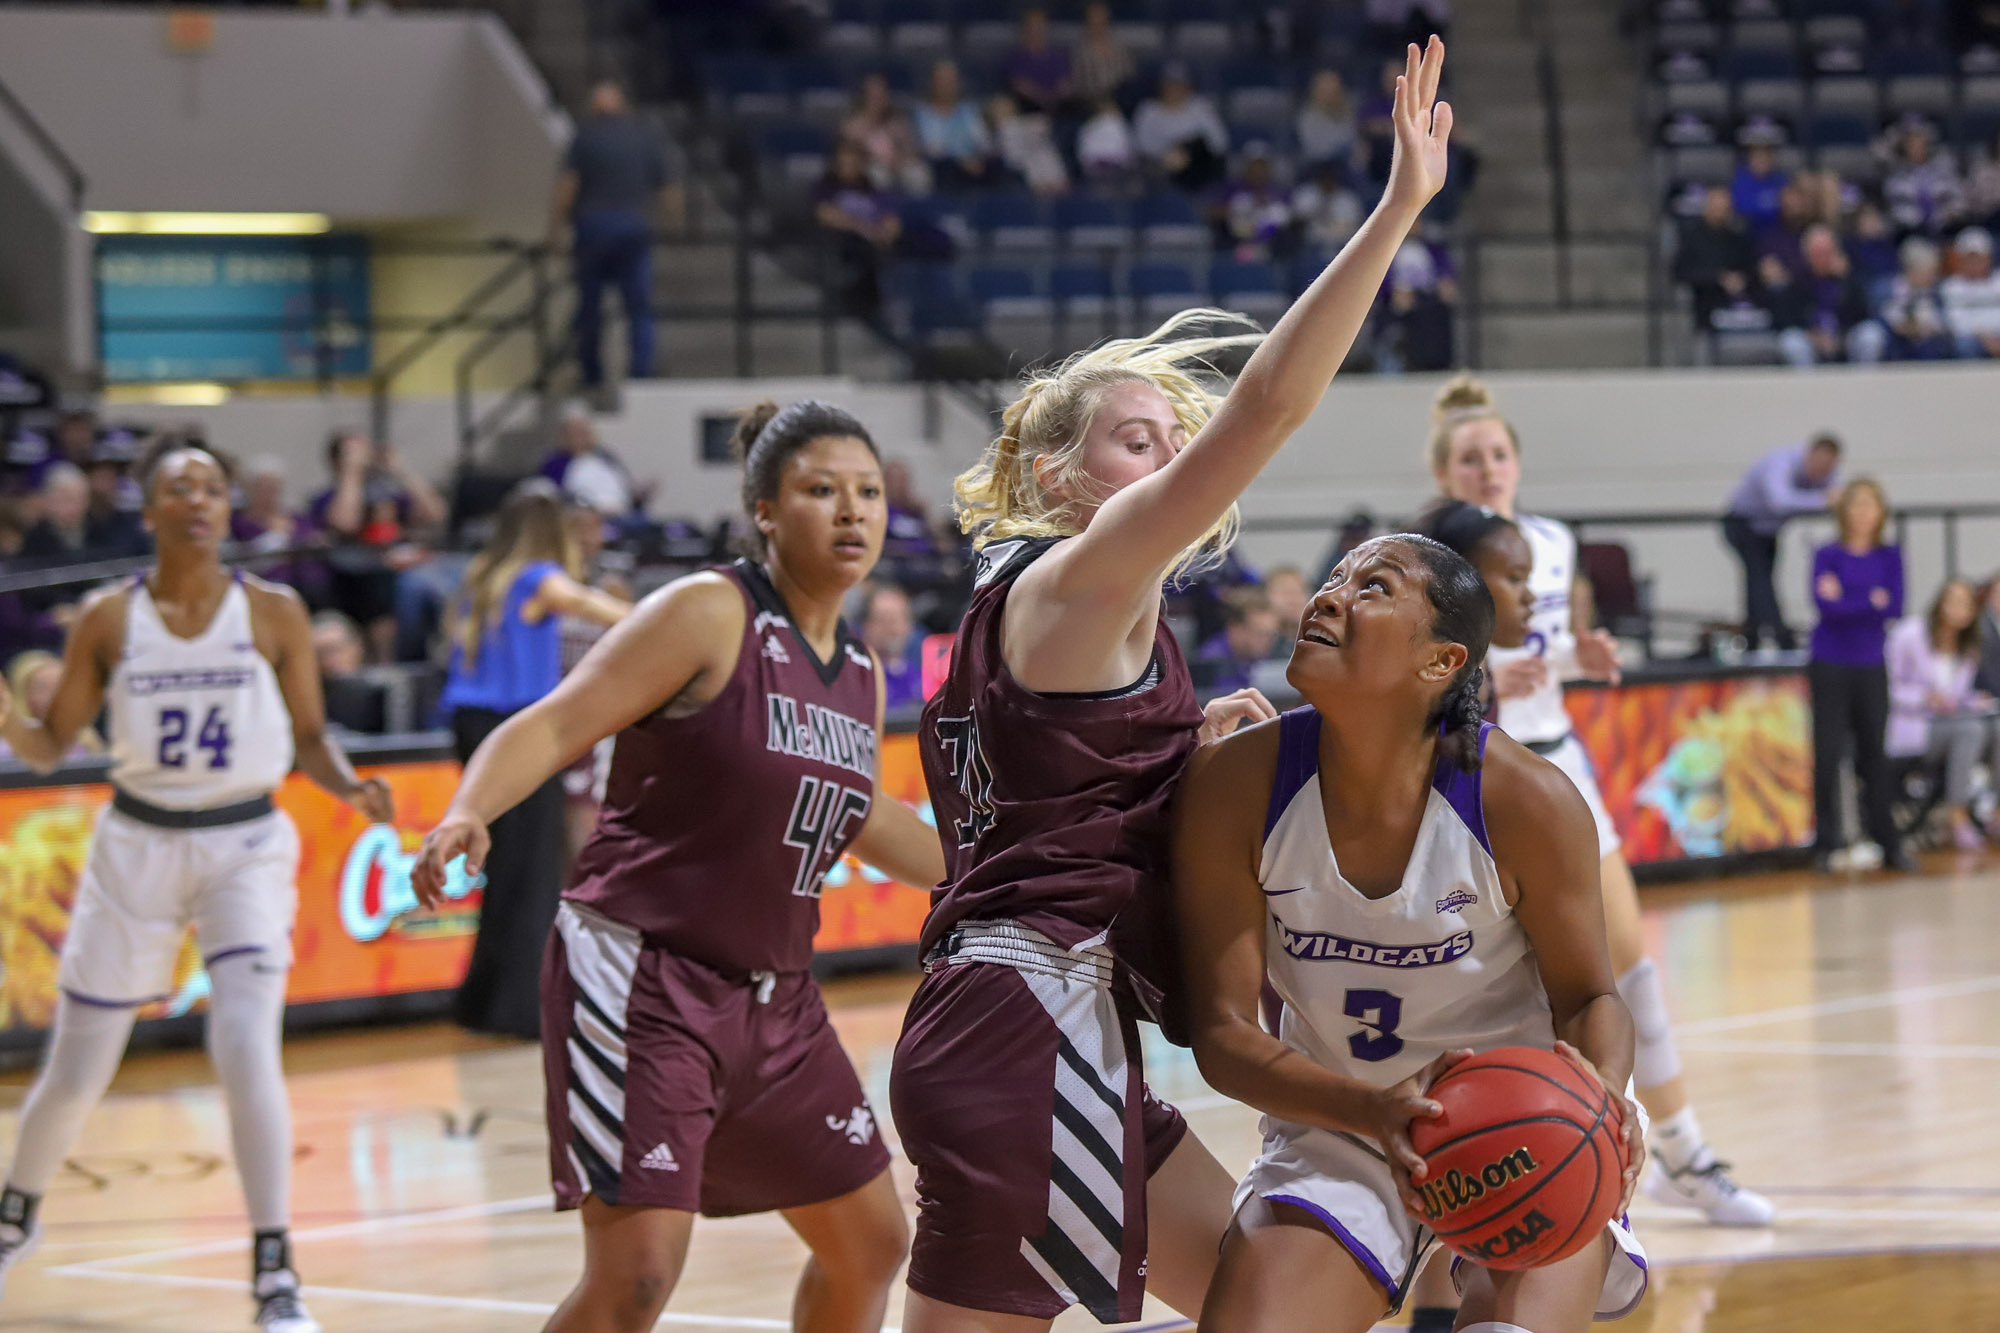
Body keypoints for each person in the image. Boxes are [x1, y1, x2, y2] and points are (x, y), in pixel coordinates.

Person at [890, 38, 1454, 1333]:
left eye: (1170, 444)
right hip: (1028, 1022)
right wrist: (1396, 210)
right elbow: (1265, 409)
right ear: (1053, 476)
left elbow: (1052, 802)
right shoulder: (1074, 586)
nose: (1168, 464)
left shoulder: (1042, 616)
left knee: (1264, 1308)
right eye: (1135, 442)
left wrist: (1187, 757)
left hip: (1042, 1026)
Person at [411, 399, 944, 1333]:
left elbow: (859, 812)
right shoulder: (708, 611)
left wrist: (999, 867)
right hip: (643, 975)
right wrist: (468, 808)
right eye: (822, 490)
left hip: (775, 995)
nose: (854, 512)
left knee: (870, 1243)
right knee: (637, 1279)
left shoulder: (857, 668)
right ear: (766, 510)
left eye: (867, 492)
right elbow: (557, 718)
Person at [1170, 533, 1647, 1333]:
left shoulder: (1528, 800)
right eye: (1331, 581)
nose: (1328, 598)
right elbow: (1221, 1033)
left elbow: (1591, 994)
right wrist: (1373, 1112)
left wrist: (1602, 1093)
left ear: (1440, 662)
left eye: (1374, 587)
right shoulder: (1232, 785)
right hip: (1339, 1123)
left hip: (1525, 1120)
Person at [0, 439, 394, 1333]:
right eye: (180, 488)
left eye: (212, 487)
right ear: (149, 512)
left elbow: (308, 737)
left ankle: (275, 1270)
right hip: (136, 840)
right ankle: (15, 1214)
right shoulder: (107, 618)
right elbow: (48, 745)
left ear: (226, 509)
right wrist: (6, 716)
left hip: (244, 843)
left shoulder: (275, 612)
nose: (200, 500)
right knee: (76, 1067)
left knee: (245, 1041)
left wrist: (351, 786)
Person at [1429, 375, 1776, 1231]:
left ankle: (1678, 1154)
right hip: (1463, 773)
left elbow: (1542, 658)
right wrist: (1480, 675)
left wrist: (1580, 656)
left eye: (1500, 453)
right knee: (1495, 991)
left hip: (1558, 766)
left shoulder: (1549, 539)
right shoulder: (1425, 552)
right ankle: (1502, 1164)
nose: (1488, 468)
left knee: (1629, 970)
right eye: (1470, 457)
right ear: (1443, 472)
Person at [437, 481, 631, 1036]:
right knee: (532, 874)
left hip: (471, 727)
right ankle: (521, 1011)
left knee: (503, 869)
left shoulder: (482, 577)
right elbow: (606, 613)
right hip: (516, 729)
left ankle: (481, 1001)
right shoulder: (539, 578)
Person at [1808, 478, 1910, 872]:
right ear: (1844, 511)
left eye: (1871, 505)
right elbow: (1824, 608)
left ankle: (1887, 839)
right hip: (1830, 661)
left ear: (1880, 512)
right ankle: (1826, 842)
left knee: (1874, 754)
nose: (1863, 513)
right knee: (1828, 752)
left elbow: (1894, 605)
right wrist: (1868, 600)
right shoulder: (1827, 554)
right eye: (1856, 504)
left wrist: (1849, 600)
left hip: (1870, 661)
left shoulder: (1890, 555)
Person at [552, 80, 680, 389]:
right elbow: (669, 189)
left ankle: (592, 373)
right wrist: (673, 227)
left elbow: (568, 187)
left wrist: (554, 231)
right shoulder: (644, 136)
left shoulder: (585, 136)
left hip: (593, 228)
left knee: (590, 306)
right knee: (639, 306)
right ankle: (641, 373)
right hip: (633, 228)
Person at [309, 431, 447, 663]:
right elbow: (344, 522)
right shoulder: (328, 497)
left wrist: (399, 470)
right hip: (350, 579)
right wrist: (350, 473)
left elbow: (435, 513)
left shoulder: (386, 492)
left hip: (393, 576)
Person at [1888, 579, 2000, 851]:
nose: (1961, 609)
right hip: (1911, 725)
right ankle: (1957, 816)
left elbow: (1956, 696)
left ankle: (1996, 811)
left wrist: (1974, 701)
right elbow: (1886, 687)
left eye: (1967, 604)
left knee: (1997, 725)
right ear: (1940, 602)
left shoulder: (1968, 646)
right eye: (1955, 601)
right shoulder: (1909, 634)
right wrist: (1923, 698)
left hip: (1949, 720)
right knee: (1970, 731)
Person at [1722, 432, 1843, 651]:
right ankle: (1781, 637)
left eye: (1827, 468)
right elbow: (1780, 501)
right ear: (1810, 454)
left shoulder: (1828, 473)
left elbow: (1839, 497)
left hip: (1768, 531)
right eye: (1819, 465)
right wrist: (1823, 500)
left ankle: (1754, 638)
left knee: (1758, 581)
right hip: (1742, 524)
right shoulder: (1781, 462)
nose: (1821, 473)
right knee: (1760, 581)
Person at [1133, 64, 1228, 192]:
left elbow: (1219, 142)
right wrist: (1168, 152)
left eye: (1179, 85)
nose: (1174, 90)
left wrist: (1187, 150)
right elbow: (1141, 143)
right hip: (1161, 163)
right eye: (1170, 85)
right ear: (1161, 87)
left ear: (1188, 88)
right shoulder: (1148, 110)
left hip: (1198, 162)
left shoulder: (1200, 107)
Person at [540, 404, 643, 520]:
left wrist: (638, 495)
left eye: (582, 432)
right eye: (573, 433)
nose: (578, 438)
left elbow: (627, 487)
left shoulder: (606, 457)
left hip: (622, 514)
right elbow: (555, 495)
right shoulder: (555, 463)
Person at [0, 650, 101, 763]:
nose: (54, 695)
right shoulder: (7, 740)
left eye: (60, 686)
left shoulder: (85, 736)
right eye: (42, 688)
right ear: (22, 692)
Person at [914, 60, 997, 191]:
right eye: (942, 81)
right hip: (942, 167)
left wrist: (978, 158)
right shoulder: (923, 114)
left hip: (974, 164)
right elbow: (931, 148)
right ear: (933, 83)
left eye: (951, 81)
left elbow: (983, 141)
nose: (947, 85)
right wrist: (960, 161)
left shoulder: (969, 112)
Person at [841, 73, 926, 196]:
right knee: (878, 174)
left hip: (899, 163)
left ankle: (917, 209)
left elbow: (911, 148)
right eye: (873, 96)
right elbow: (848, 153)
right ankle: (881, 210)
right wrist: (873, 158)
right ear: (864, 98)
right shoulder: (853, 126)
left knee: (917, 172)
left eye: (880, 96)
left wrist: (901, 158)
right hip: (870, 165)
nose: (877, 101)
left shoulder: (897, 123)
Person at [1194, 584, 1282, 691]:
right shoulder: (1210, 662)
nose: (1268, 641)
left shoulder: (1274, 655)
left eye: (1271, 634)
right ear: (1235, 629)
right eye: (1260, 633)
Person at [1881, 236, 1956, 360]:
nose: (1933, 277)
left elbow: (1944, 320)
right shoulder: (1891, 289)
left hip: (1928, 341)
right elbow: (1885, 317)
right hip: (1896, 338)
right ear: (1912, 270)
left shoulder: (1936, 291)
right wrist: (1904, 326)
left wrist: (1928, 327)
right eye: (1929, 272)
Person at [856, 580, 925, 711]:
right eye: (882, 620)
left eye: (896, 620)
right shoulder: (857, 677)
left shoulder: (921, 678)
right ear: (866, 626)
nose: (891, 629)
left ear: (909, 626)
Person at [1941, 226, 2000, 359]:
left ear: (1988, 258)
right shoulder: (1952, 286)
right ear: (1960, 260)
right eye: (1969, 258)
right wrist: (1985, 336)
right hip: (1973, 338)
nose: (1974, 263)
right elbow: (1956, 322)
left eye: (1978, 257)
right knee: (1965, 344)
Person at [1005, 7, 1073, 119]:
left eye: (1040, 26)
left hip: (1058, 107)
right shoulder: (1016, 58)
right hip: (1028, 107)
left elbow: (1065, 85)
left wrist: (1055, 100)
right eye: (1032, 26)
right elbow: (1019, 85)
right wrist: (1042, 99)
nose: (1036, 30)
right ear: (1025, 28)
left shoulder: (1058, 57)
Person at [1069, 2, 1133, 107]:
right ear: (1087, 21)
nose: (1097, 23)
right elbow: (1077, 85)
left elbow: (1128, 77)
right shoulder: (1079, 51)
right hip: (1091, 103)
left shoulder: (1120, 48)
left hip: (1120, 101)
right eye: (1093, 19)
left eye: (1101, 19)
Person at [1297, 69, 1359, 169]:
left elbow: (1353, 139)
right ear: (1317, 89)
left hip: (1346, 164)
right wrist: (1343, 148)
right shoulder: (1308, 117)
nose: (1331, 89)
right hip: (1318, 166)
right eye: (1326, 85)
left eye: (1334, 85)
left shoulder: (1347, 114)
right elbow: (1315, 148)